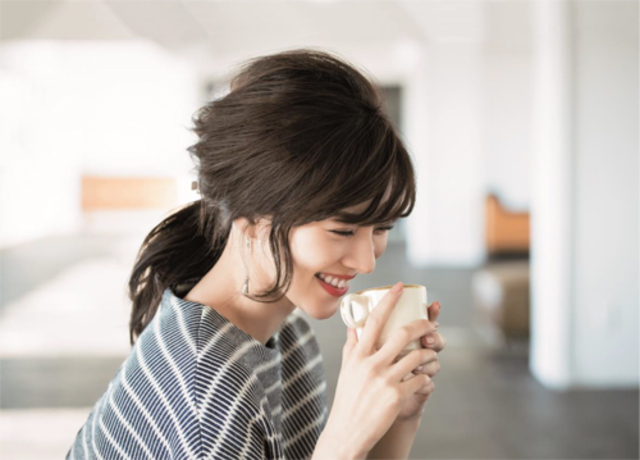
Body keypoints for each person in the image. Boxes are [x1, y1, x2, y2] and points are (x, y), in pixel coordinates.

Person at [66, 48, 446, 460]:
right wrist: (342, 440)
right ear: (248, 213)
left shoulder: (287, 331)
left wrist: (399, 416)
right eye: (342, 229)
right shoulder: (206, 392)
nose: (367, 261)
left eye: (382, 228)